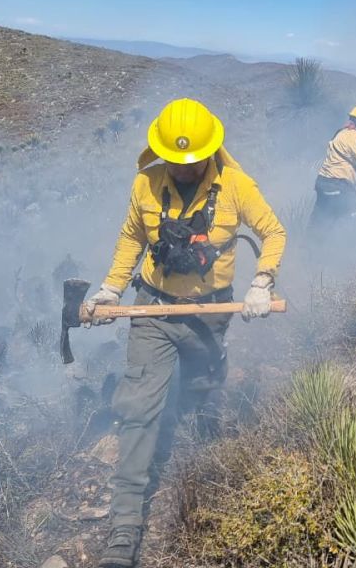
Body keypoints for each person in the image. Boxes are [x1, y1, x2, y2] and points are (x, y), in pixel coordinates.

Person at [88, 98, 286, 568]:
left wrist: (263, 281)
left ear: (208, 152)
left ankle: (203, 448)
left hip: (211, 311)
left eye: (190, 161)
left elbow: (273, 232)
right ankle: (124, 528)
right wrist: (110, 289)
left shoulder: (236, 185)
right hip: (153, 310)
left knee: (203, 384)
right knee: (138, 410)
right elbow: (132, 238)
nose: (181, 168)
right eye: (173, 161)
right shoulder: (145, 183)